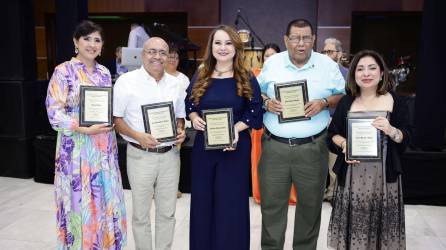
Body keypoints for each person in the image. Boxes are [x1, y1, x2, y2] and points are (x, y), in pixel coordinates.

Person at [257, 19, 345, 250]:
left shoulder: (327, 64)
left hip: (313, 148)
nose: (301, 43)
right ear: (286, 40)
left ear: (313, 39)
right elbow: (255, 93)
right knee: (272, 208)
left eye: (306, 37)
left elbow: (342, 95)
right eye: (295, 38)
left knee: (310, 208)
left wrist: (324, 103)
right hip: (275, 147)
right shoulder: (272, 63)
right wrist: (267, 103)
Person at [45, 20, 127, 249]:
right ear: (76, 42)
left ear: (102, 46)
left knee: (104, 199)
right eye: (87, 39)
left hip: (103, 149)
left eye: (97, 40)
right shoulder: (63, 72)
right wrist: (81, 127)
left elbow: (107, 107)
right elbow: (54, 113)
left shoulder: (103, 72)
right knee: (79, 201)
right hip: (76, 148)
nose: (92, 44)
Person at [185, 24, 262, 250]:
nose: (223, 48)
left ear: (237, 48)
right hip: (204, 150)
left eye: (228, 43)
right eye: (218, 42)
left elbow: (255, 112)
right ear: (211, 47)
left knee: (231, 204)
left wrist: (235, 130)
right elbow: (189, 102)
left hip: (235, 149)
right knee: (203, 202)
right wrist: (193, 116)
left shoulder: (246, 76)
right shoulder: (201, 73)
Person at [327, 50, 409, 250]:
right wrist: (345, 145)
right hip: (352, 175)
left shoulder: (396, 101)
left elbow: (406, 137)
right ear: (354, 74)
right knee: (354, 227)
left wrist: (391, 130)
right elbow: (331, 135)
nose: (366, 73)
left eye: (372, 68)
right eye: (360, 69)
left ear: (382, 73)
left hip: (384, 177)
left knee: (382, 231)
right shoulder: (347, 102)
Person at [113, 37, 186, 250]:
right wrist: (138, 135)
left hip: (170, 156)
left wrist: (181, 130)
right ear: (143, 54)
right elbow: (117, 120)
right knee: (141, 214)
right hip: (140, 155)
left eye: (163, 52)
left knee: (167, 213)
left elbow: (180, 117)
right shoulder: (126, 81)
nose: (157, 56)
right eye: (152, 52)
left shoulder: (176, 84)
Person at [250, 43, 297, 205]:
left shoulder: (288, 75)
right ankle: (261, 194)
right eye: (267, 55)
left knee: (285, 163)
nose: (270, 58)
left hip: (284, 125)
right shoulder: (255, 74)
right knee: (261, 161)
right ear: (262, 58)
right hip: (261, 124)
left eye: (274, 55)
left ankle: (288, 196)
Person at [321, 37, 349, 203]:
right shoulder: (317, 73)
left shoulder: (347, 74)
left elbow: (347, 100)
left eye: (330, 51)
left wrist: (334, 119)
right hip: (316, 121)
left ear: (339, 54)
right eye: (324, 51)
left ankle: (332, 192)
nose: (326, 55)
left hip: (336, 123)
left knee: (333, 160)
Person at [164, 43, 190, 198]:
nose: (173, 60)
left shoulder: (184, 79)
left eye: (176, 57)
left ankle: (174, 187)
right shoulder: (158, 75)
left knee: (174, 155)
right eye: (170, 56)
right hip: (158, 123)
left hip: (177, 123)